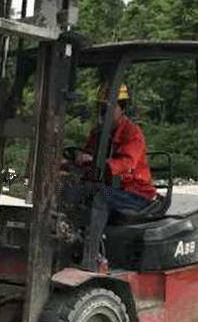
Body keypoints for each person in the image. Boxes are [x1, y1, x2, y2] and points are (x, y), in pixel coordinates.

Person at [64, 83, 156, 268]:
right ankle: (68, 243)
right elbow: (87, 160)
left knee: (100, 196)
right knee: (68, 191)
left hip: (134, 193)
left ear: (122, 108)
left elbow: (125, 165)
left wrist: (94, 161)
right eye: (101, 108)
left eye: (108, 108)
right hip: (111, 187)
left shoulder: (132, 133)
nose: (103, 113)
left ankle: (91, 258)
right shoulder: (98, 133)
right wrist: (69, 165)